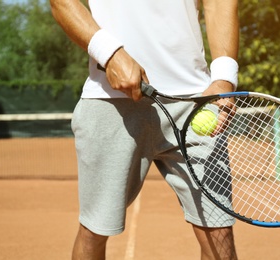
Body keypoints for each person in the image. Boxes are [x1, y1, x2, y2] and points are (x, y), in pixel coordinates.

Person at [50, 0, 239, 259]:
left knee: (220, 238)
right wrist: (110, 53)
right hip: (110, 101)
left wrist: (224, 77)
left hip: (198, 104)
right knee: (94, 230)